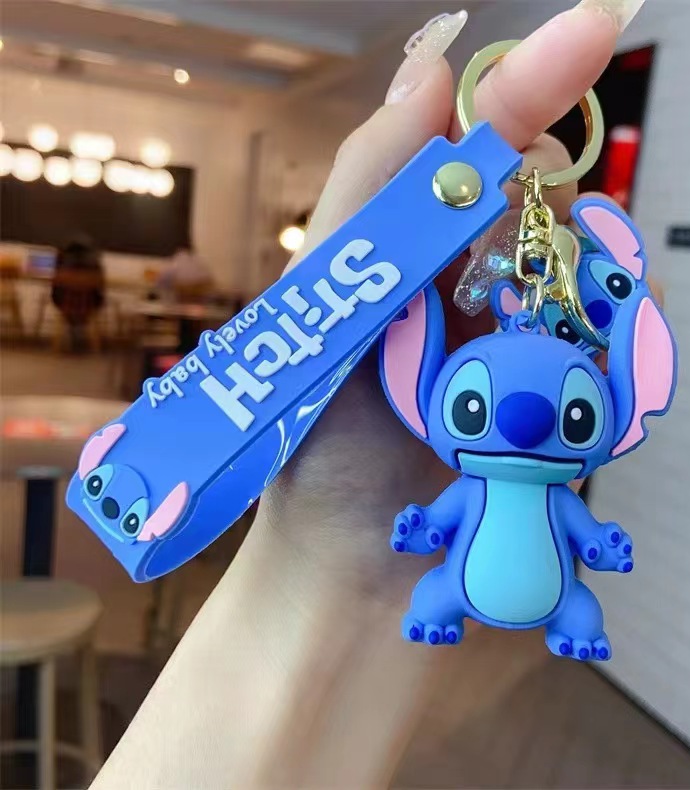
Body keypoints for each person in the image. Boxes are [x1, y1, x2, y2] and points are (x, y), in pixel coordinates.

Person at [92, 3, 661, 787]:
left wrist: (593, 544)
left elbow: (562, 525)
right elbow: (452, 521)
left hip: (504, 588)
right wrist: (389, 537)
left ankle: (547, 622)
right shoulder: (456, 428)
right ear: (424, 390)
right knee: (445, 592)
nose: (526, 423)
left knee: (550, 605)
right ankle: (452, 610)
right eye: (473, 409)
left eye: (571, 415)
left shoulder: (517, 457)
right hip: (445, 574)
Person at [51, 234, 105, 350]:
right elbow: (100, 290)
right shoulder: (95, 261)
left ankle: (74, 328)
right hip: (89, 305)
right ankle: (80, 330)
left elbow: (55, 289)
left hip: (65, 304)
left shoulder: (61, 259)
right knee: (92, 299)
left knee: (63, 297)